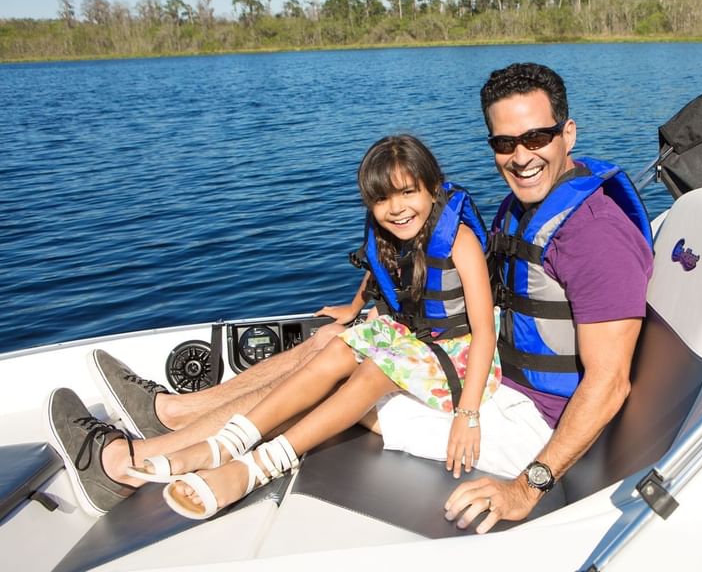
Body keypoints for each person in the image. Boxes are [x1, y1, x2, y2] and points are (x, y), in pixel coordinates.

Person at [45, 135, 549, 518]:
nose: (396, 208)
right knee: (334, 347)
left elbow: (483, 332)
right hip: (419, 346)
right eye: (381, 200)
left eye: (407, 194)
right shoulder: (393, 231)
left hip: (462, 364)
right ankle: (219, 441)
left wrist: (468, 415)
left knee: (375, 368)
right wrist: (353, 312)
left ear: (433, 189)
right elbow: (382, 273)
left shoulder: (457, 240)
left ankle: (256, 464)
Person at [440, 62, 654, 533]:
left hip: (538, 422)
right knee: (342, 351)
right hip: (498, 385)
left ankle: (244, 457)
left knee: (359, 396)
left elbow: (610, 382)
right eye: (504, 143)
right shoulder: (519, 207)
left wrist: (524, 488)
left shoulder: (595, 236)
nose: (521, 156)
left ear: (568, 134)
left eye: (537, 137)